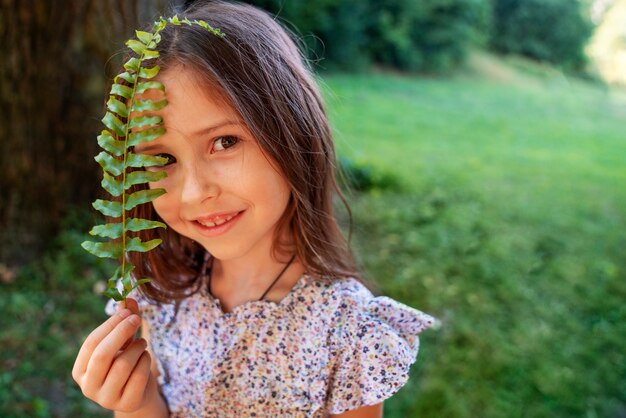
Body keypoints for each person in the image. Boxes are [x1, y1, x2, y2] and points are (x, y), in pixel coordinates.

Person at [72, 1, 436, 417]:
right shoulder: (158, 297)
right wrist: (138, 403)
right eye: (163, 159)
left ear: (291, 129)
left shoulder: (346, 335)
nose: (194, 193)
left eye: (224, 142)